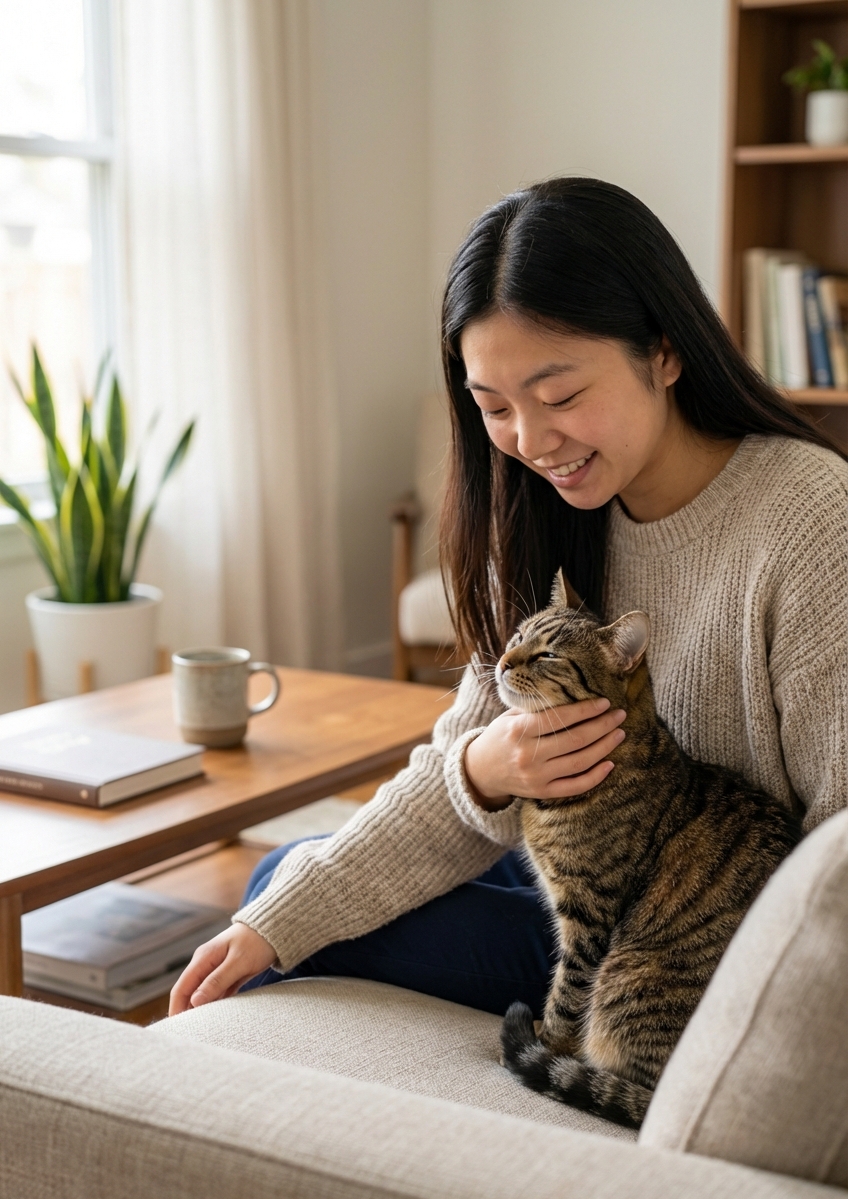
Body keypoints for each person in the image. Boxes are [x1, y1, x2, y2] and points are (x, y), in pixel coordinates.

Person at [169, 177, 847, 1018]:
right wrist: (484, 769)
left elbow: (838, 852)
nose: (531, 443)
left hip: (685, 944)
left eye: (561, 397)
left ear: (664, 352)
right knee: (277, 890)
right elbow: (458, 770)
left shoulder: (810, 522)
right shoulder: (545, 517)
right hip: (569, 883)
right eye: (493, 407)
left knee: (289, 900)